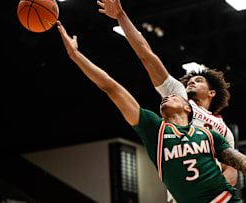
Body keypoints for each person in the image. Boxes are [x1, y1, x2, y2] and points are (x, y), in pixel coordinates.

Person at [56, 21, 246, 203]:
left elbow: (242, 167)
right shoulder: (157, 123)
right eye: (185, 84)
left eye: (197, 82)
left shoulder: (214, 132)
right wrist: (77, 55)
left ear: (201, 99)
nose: (183, 87)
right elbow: (122, 78)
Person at [96, 4, 238, 202]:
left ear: (212, 92)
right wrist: (121, 16)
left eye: (198, 81)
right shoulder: (179, 97)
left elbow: (231, 171)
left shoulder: (224, 130)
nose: (190, 82)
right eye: (189, 80)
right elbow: (146, 54)